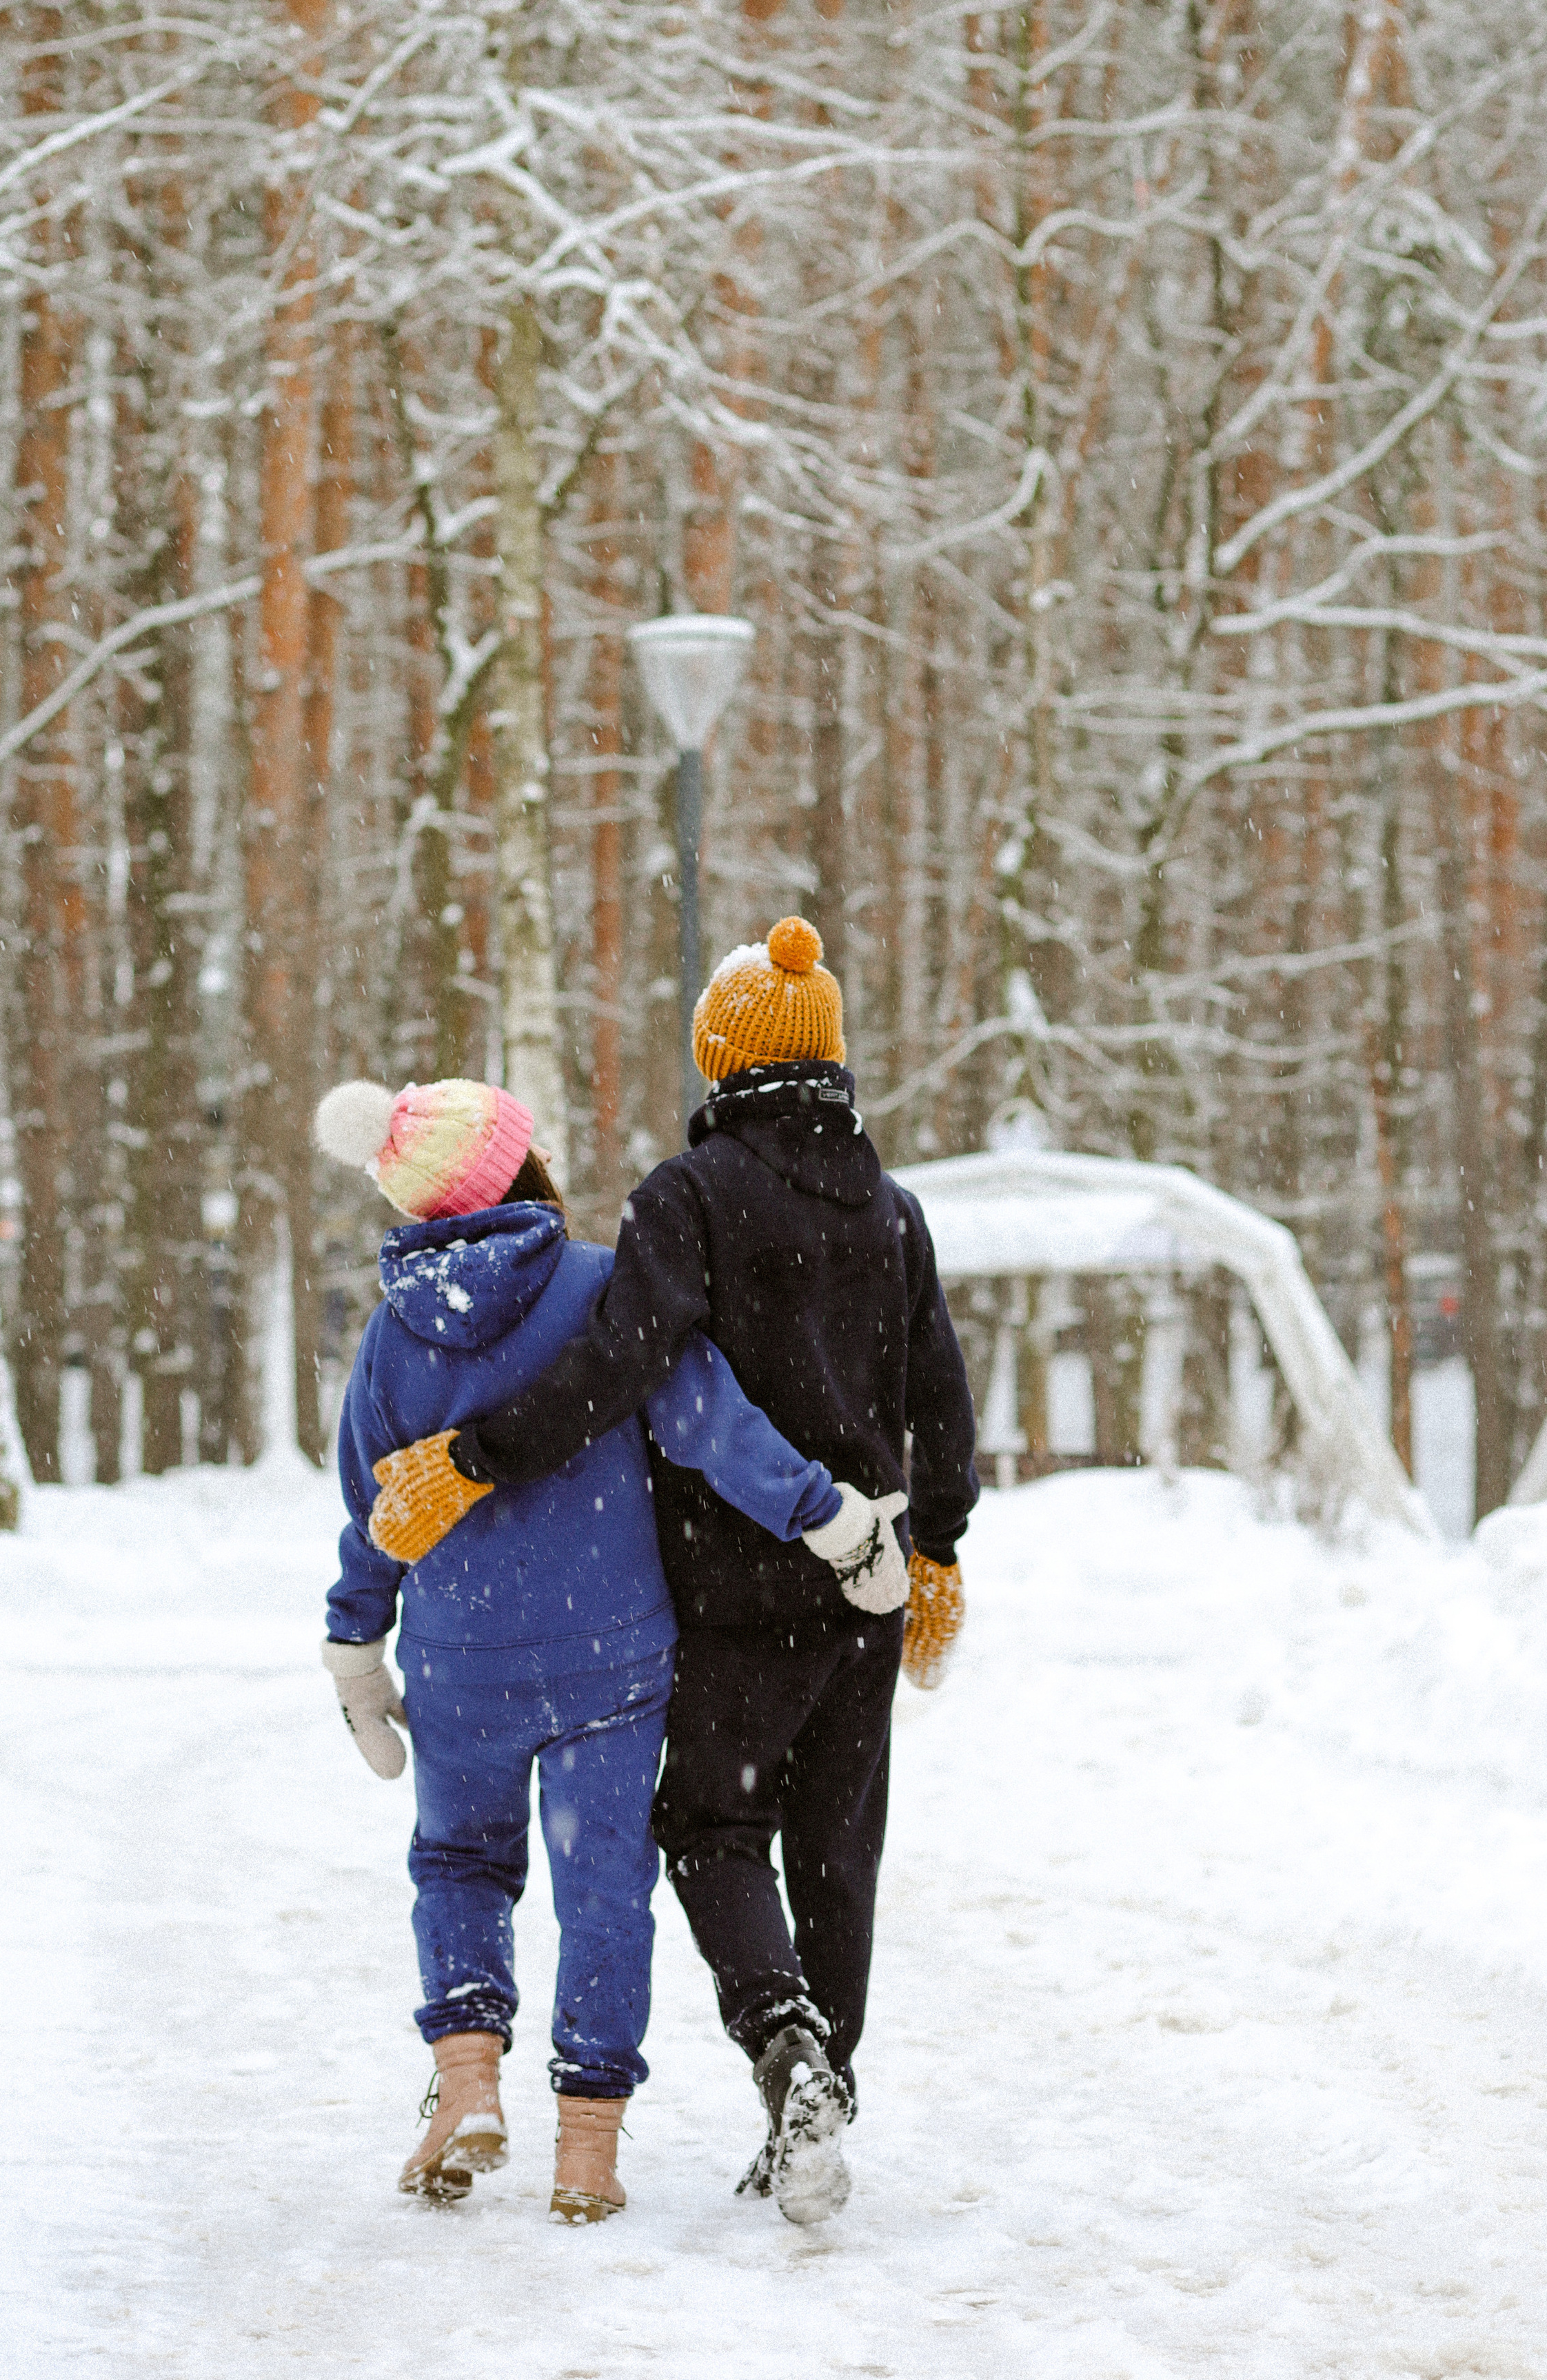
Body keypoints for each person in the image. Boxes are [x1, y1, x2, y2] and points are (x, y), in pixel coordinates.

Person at [370, 919, 978, 2225]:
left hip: (737, 1591)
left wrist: (478, 1457)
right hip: (866, 1580)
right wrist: (938, 1545)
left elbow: (628, 1366)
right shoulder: (894, 1209)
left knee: (709, 1833)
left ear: (722, 1060)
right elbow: (940, 1387)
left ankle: (785, 2046)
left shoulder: (687, 1198)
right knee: (839, 1850)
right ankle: (824, 2091)